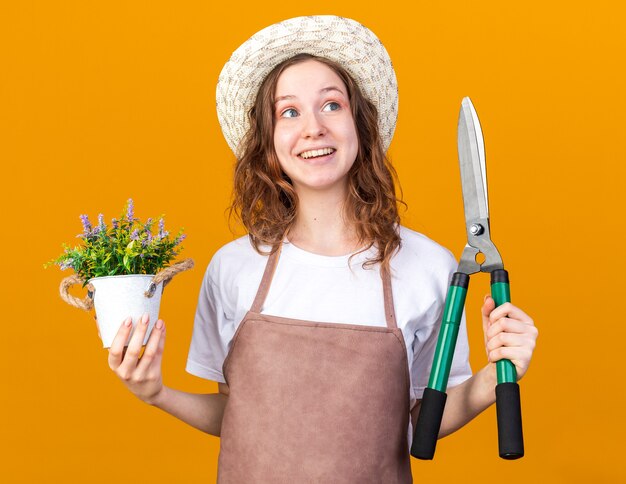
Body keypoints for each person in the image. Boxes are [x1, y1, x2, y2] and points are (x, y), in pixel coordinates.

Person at [107, 15, 538, 483]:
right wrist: (155, 393)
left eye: (331, 105)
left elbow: (420, 426)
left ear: (361, 124)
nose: (312, 128)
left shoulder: (428, 266)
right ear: (268, 143)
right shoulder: (233, 268)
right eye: (288, 112)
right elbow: (237, 413)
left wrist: (495, 378)